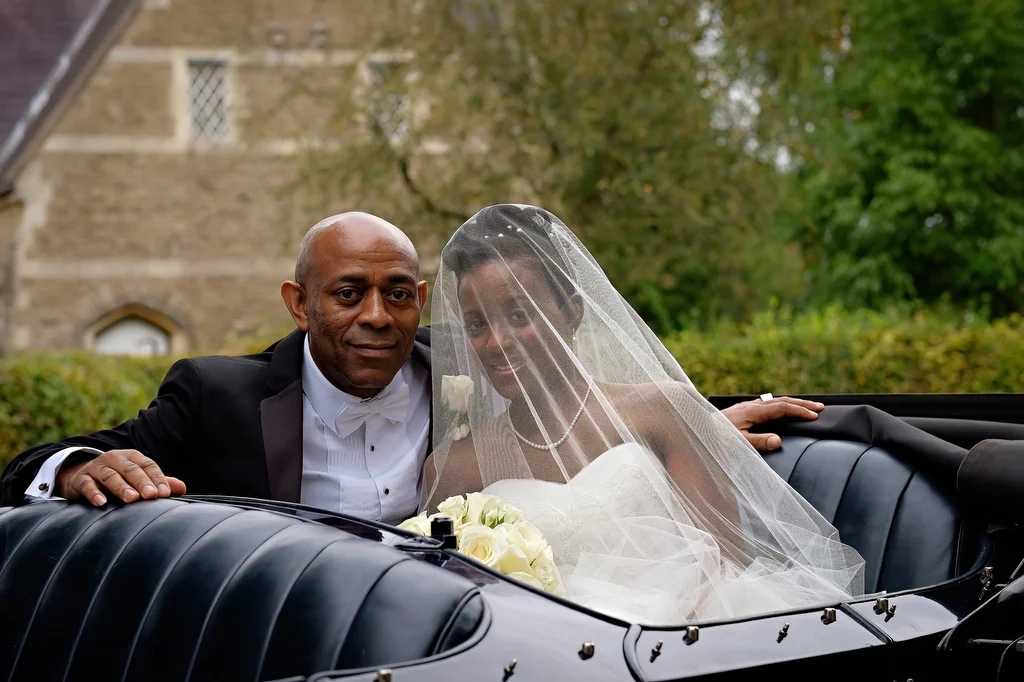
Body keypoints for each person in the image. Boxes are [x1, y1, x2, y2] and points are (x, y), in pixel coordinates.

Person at [0, 210, 823, 521]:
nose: (376, 319)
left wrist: (698, 424)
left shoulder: (467, 375)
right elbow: (27, 468)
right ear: (298, 303)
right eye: (348, 294)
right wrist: (77, 466)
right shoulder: (214, 393)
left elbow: (566, 416)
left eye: (398, 295)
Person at [420, 204, 866, 624]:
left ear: (572, 312)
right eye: (477, 324)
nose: (496, 342)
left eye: (519, 315)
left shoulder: (661, 411)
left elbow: (730, 564)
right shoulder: (453, 467)